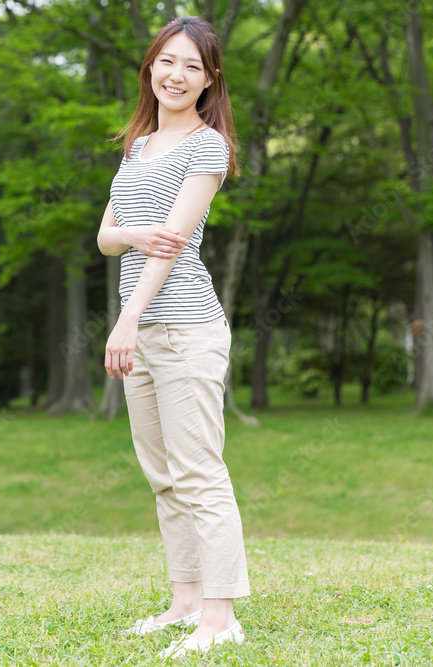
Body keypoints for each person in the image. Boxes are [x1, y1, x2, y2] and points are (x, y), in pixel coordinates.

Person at [96, 15, 249, 660]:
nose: (176, 75)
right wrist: (132, 234)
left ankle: (219, 617)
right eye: (167, 62)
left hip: (185, 328)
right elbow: (108, 236)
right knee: (162, 474)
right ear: (150, 68)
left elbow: (173, 244)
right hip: (145, 332)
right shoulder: (137, 146)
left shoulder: (206, 148)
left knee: (199, 472)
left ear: (209, 78)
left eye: (192, 66)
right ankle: (184, 602)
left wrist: (125, 319)